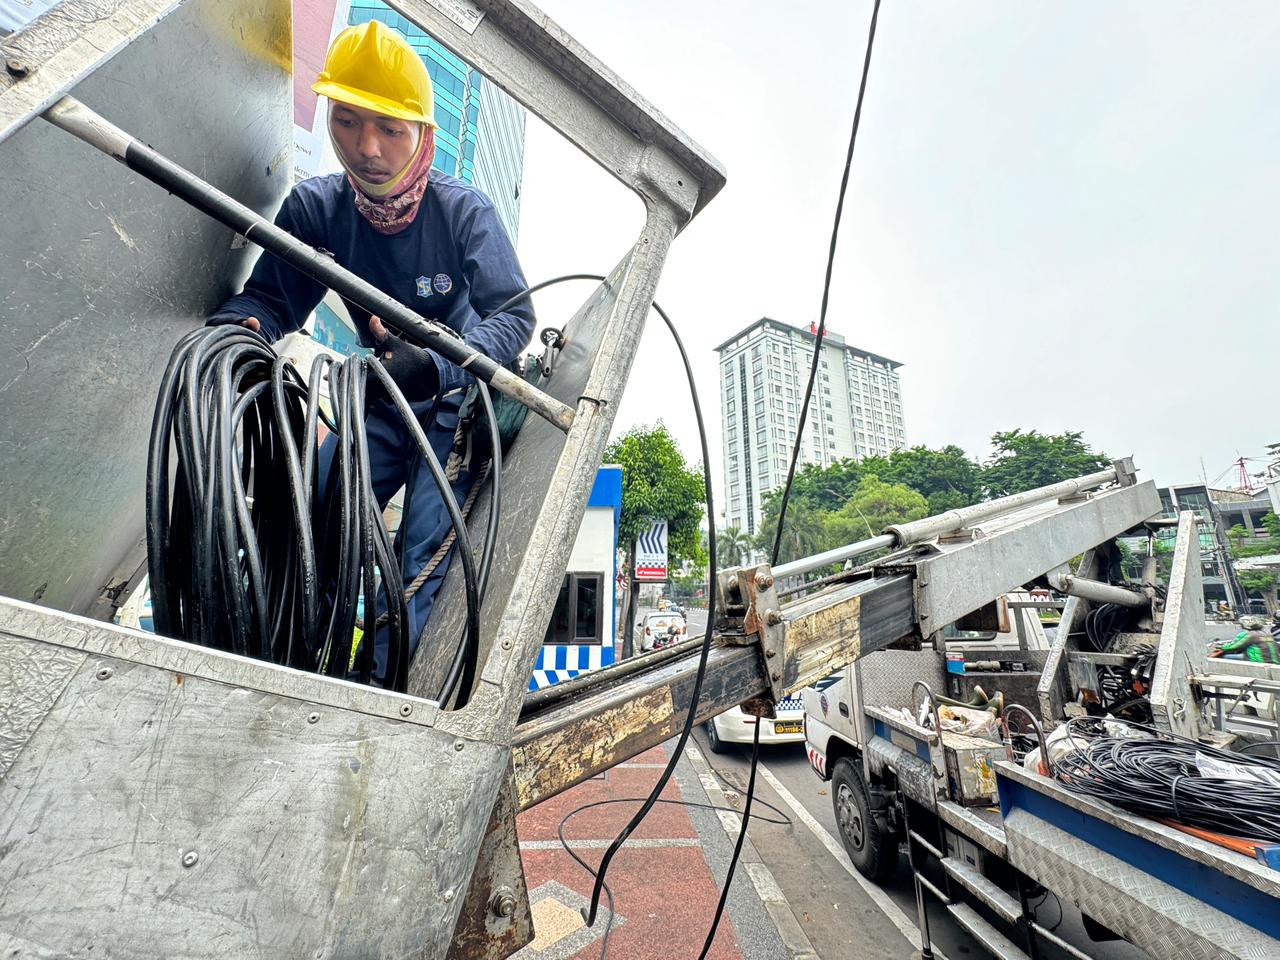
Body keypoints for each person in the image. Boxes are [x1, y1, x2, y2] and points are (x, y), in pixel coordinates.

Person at [208, 20, 534, 686]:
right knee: (316, 510)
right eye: (348, 122)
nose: (367, 148)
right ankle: (290, 672)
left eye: (390, 128)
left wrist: (437, 362)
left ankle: (381, 696)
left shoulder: (464, 212)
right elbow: (270, 301)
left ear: (424, 136)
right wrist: (234, 333)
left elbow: (514, 316)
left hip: (453, 409)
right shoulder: (317, 210)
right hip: (380, 399)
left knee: (417, 561)